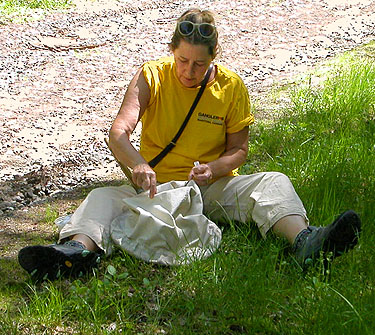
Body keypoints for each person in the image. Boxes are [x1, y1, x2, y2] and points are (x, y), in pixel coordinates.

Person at [18, 9, 361, 281]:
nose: (189, 71)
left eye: (199, 64)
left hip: (207, 190)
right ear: (172, 51)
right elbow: (118, 132)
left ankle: (305, 242)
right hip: (152, 191)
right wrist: (138, 164)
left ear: (214, 58)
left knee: (272, 182)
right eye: (182, 61)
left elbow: (240, 150)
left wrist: (214, 169)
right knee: (100, 197)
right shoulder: (152, 75)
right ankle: (75, 252)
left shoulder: (231, 87)